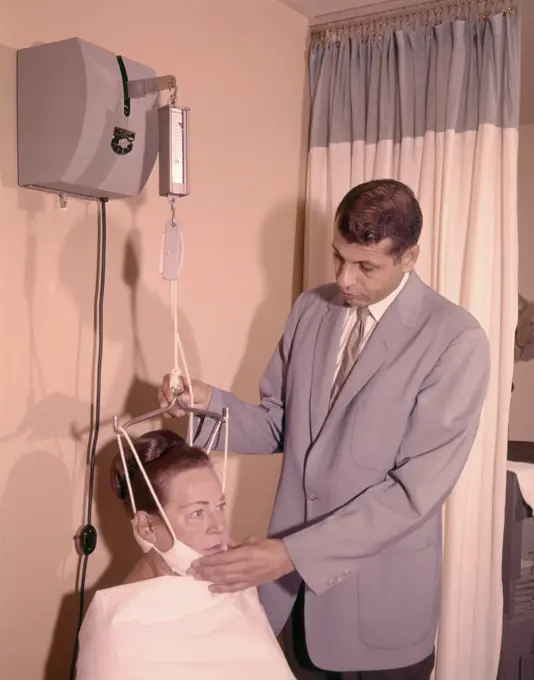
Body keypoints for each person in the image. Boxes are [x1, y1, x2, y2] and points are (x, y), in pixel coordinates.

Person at [158, 179, 491, 679]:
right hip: (295, 604)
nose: (345, 279)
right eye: (338, 257)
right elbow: (278, 425)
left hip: (379, 611)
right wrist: (206, 402)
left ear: (410, 257)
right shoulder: (310, 309)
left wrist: (290, 554)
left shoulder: (455, 340)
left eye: (365, 266)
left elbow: (412, 494)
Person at [76, 429, 295, 680]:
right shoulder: (119, 629)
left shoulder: (236, 587)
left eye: (219, 507)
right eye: (197, 513)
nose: (219, 526)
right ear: (146, 527)